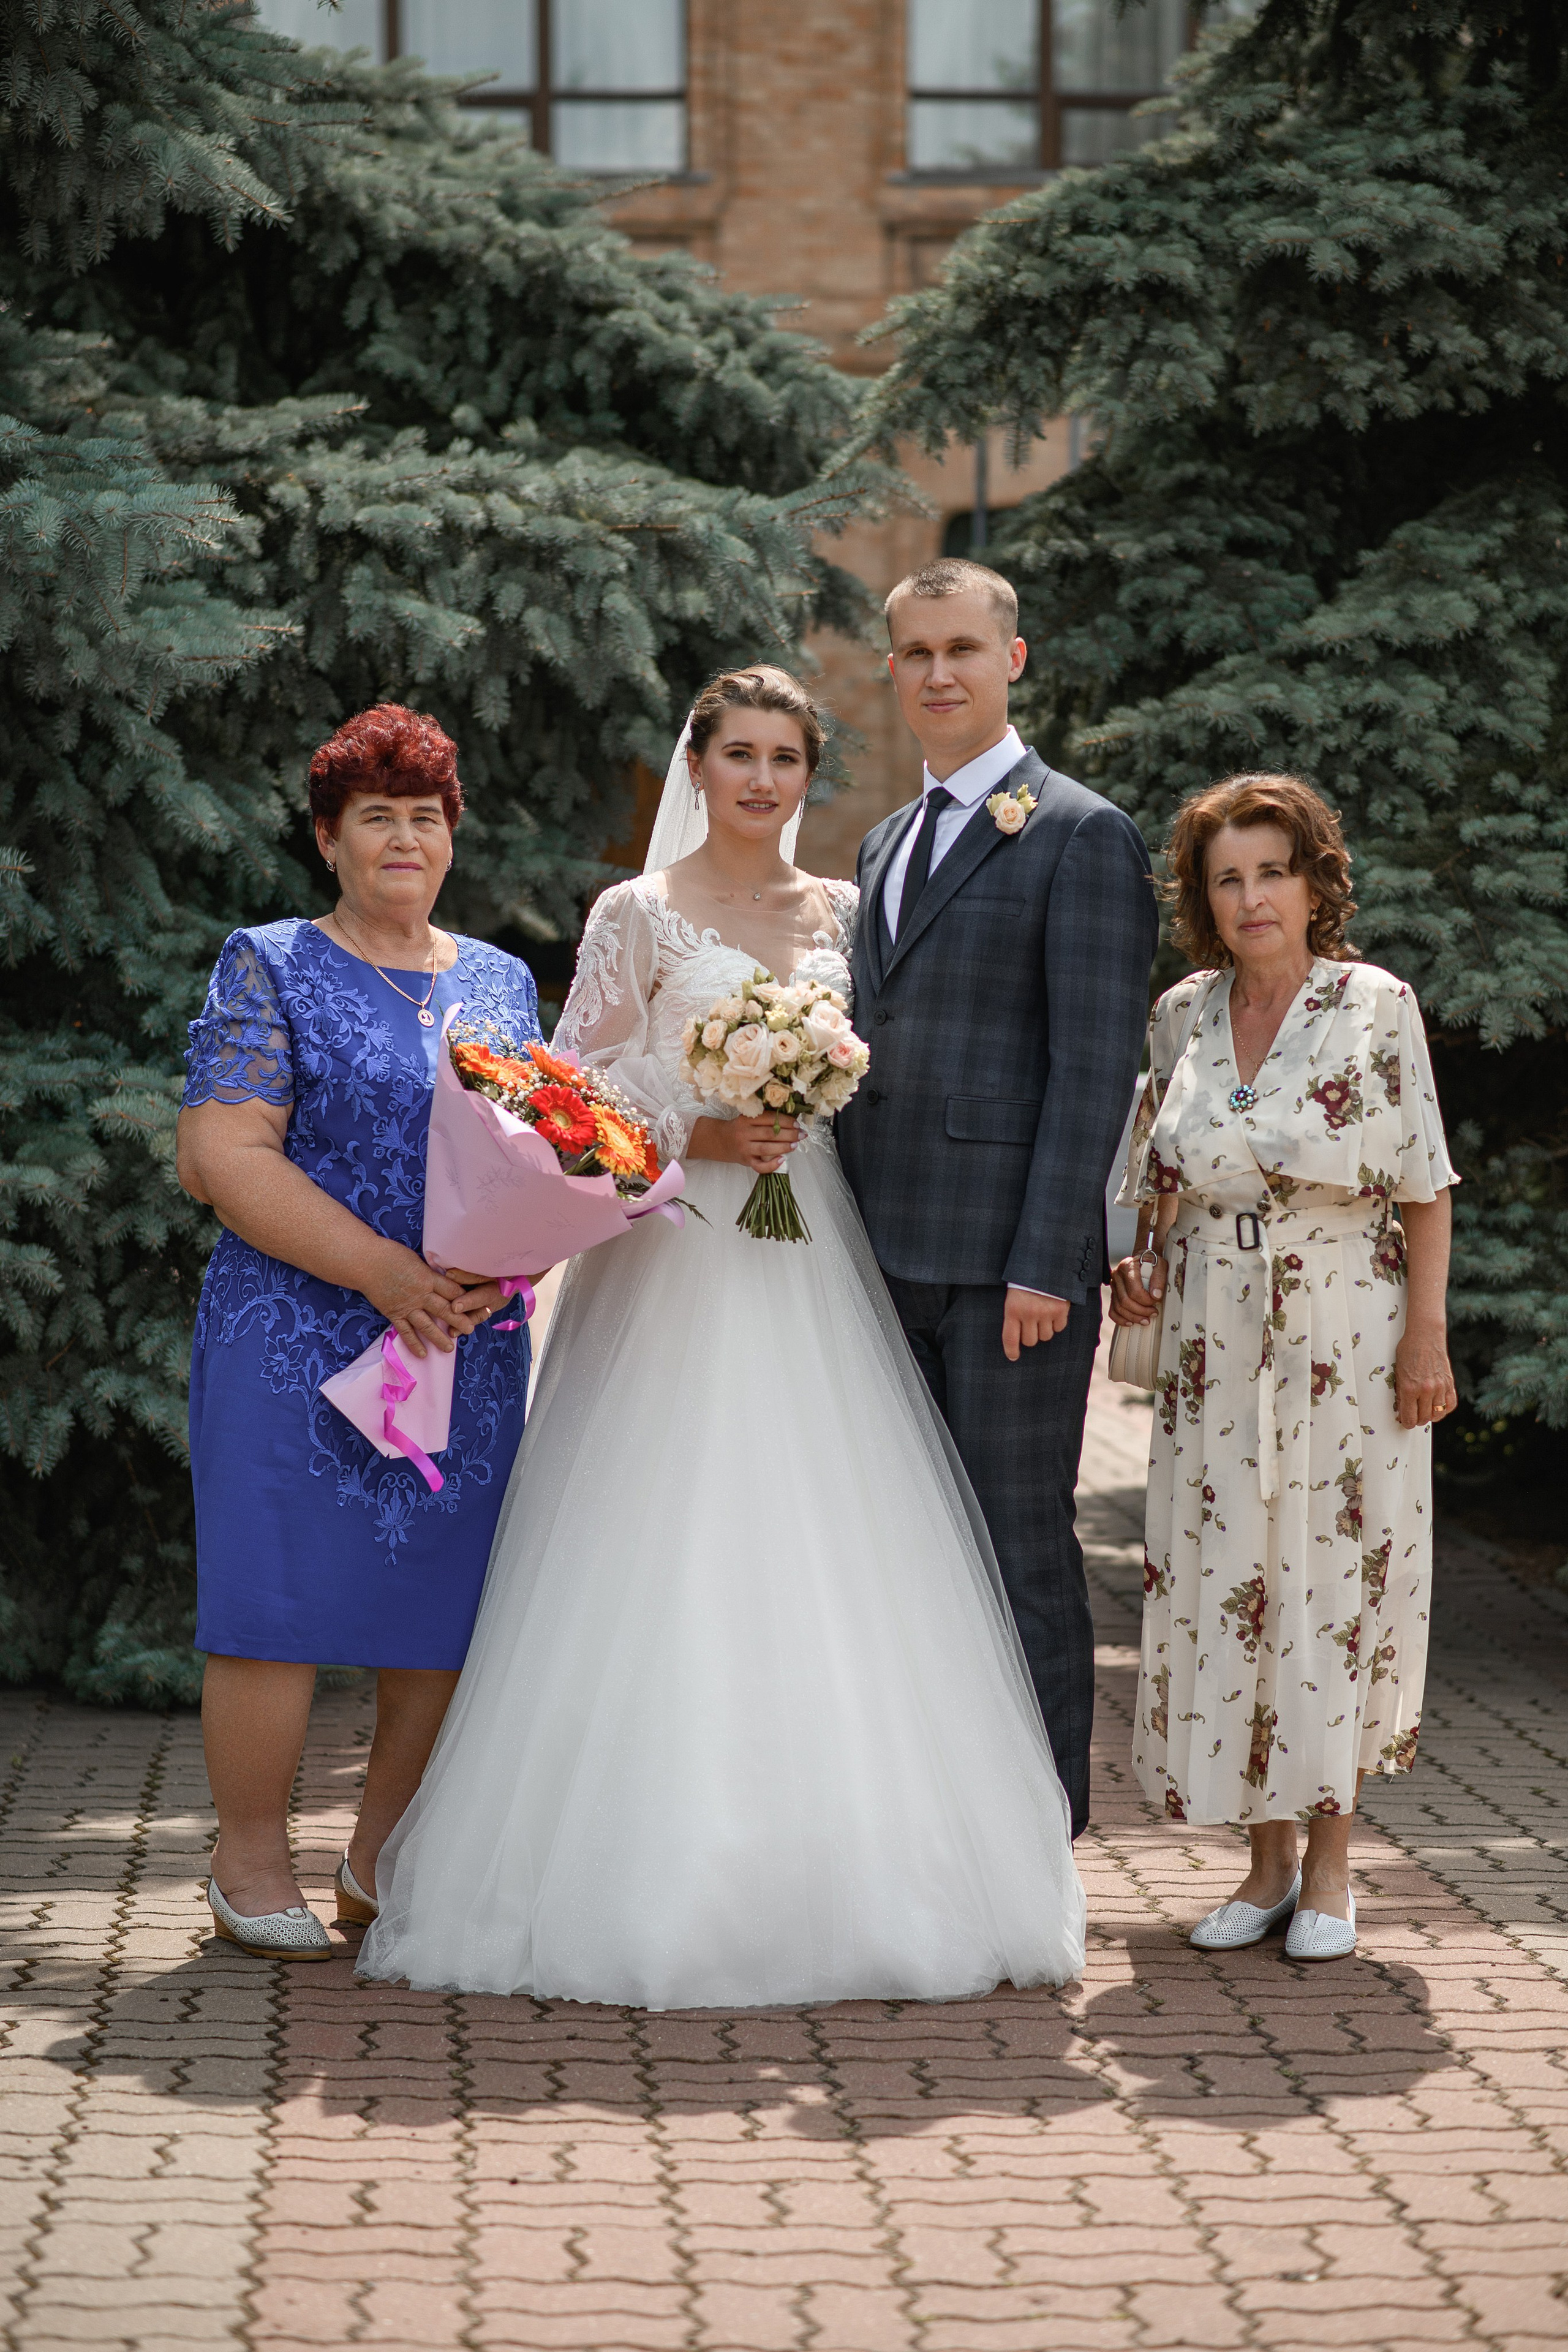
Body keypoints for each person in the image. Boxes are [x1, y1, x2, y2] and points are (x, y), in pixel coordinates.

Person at [358, 665, 1086, 2008]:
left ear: (808, 778)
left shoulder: (849, 913)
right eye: (737, 754)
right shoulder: (636, 913)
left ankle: (848, 1854)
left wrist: (796, 1103)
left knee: (825, 1523)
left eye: (785, 759)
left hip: (809, 1243)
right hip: (673, 1248)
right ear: (694, 766)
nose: (760, 780)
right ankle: (623, 1862)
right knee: (659, 1516)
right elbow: (563, 1093)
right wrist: (694, 1128)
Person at [176, 704, 541, 1959]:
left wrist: (515, 1258)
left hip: (462, 1344)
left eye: (424, 816)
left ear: (452, 837)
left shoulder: (501, 981)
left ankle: (383, 1852)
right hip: (295, 1334)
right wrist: (385, 1271)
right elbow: (221, 1154)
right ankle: (249, 1859)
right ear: (328, 837)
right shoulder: (268, 962)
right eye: (375, 816)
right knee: (274, 1602)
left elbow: (545, 1154)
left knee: (440, 1609)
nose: (404, 837)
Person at [835, 558, 1159, 1839]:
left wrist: (1046, 1263)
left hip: (1003, 1272)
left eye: (960, 649)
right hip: (878, 1252)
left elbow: (1095, 1068)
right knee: (905, 1544)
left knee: (1020, 1544)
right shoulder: (881, 838)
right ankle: (928, 1809)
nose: (936, 675)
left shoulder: (1078, 831)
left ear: (1011, 660)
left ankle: (1039, 1828)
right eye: (913, 654)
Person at [1109, 772, 1457, 1962]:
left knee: (1329, 1585)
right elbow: (1153, 1177)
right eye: (1226, 877)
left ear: (1313, 881)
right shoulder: (1180, 1014)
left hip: (1344, 1340)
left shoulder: (1373, 1005)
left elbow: (1422, 1186)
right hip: (1214, 1341)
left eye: (1271, 870)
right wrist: (1137, 1264)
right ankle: (1259, 1865)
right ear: (1203, 900)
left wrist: (1426, 1337)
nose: (1251, 896)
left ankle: (1329, 1868)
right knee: (1229, 1584)